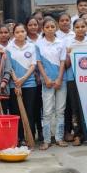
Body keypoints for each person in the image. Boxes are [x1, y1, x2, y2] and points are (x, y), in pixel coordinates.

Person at [36, 18, 67, 150]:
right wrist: (46, 79)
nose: (50, 29)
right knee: (47, 111)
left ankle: (59, 138)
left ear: (56, 28)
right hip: (46, 81)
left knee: (60, 110)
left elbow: (62, 62)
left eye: (52, 27)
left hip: (61, 80)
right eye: (47, 27)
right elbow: (39, 63)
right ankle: (47, 140)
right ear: (43, 29)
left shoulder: (61, 43)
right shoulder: (38, 44)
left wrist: (59, 78)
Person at [8, 24, 38, 145]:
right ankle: (19, 138)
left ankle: (30, 137)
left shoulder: (32, 46)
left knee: (29, 111)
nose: (20, 34)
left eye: (22, 31)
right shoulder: (9, 48)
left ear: (26, 33)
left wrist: (24, 79)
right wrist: (16, 80)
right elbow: (8, 66)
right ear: (14, 34)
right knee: (16, 112)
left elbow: (33, 65)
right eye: (17, 32)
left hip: (29, 84)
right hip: (14, 85)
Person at [64, 19, 87, 145]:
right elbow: (66, 65)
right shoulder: (68, 43)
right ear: (73, 29)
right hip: (72, 78)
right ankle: (77, 134)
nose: (80, 29)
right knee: (75, 107)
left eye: (83, 26)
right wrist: (68, 54)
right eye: (77, 27)